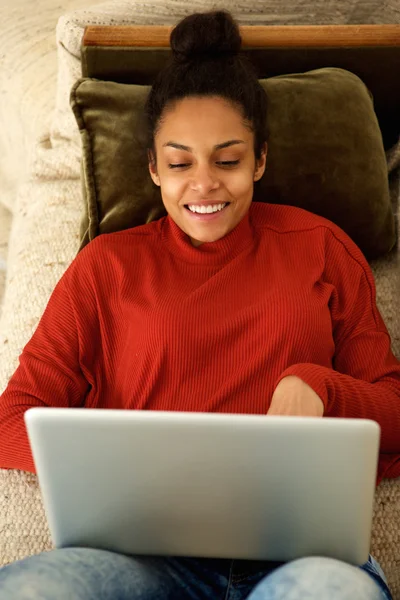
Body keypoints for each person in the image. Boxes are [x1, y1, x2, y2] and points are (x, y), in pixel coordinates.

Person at [0, 8, 399, 600]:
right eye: (181, 163)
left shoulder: (320, 247)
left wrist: (323, 386)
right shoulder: (106, 266)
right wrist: (116, 458)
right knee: (31, 590)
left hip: (298, 555)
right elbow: (14, 418)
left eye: (229, 160)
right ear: (154, 169)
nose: (204, 183)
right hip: (143, 558)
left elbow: (393, 409)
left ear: (260, 160)